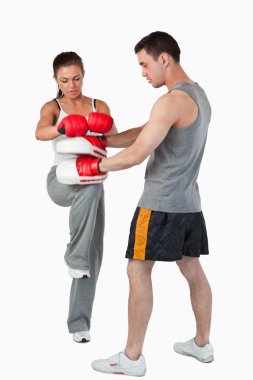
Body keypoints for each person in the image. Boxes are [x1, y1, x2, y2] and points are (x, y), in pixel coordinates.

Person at [85, 31, 213, 375]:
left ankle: (131, 357)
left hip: (160, 205)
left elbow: (139, 153)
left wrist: (93, 165)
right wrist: (105, 140)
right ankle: (202, 345)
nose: (143, 72)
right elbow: (148, 131)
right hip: (189, 203)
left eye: (144, 64)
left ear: (164, 59)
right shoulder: (196, 95)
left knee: (138, 269)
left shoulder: (169, 101)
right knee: (192, 269)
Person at [35, 51, 117, 343]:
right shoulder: (53, 107)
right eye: (64, 80)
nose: (72, 85)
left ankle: (79, 324)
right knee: (84, 250)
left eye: (77, 78)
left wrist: (151, 130)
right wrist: (61, 126)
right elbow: (40, 132)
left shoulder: (99, 105)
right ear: (55, 79)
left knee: (93, 253)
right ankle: (75, 255)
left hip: (92, 182)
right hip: (62, 181)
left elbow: (114, 139)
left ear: (84, 74)